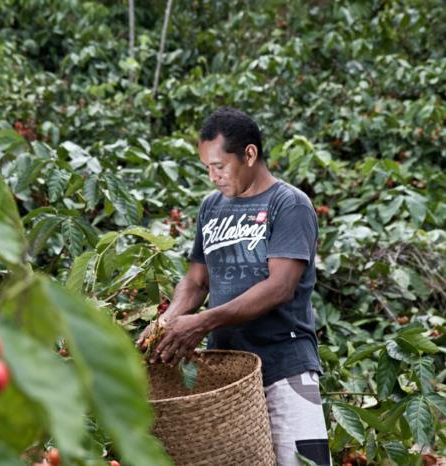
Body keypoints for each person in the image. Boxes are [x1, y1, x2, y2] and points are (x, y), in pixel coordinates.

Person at [137, 107, 331, 466]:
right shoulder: (212, 207)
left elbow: (280, 287)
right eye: (207, 167)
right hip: (228, 371)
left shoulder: (289, 204)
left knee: (307, 461)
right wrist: (172, 320)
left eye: (219, 166)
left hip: (286, 366)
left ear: (250, 154)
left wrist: (203, 322)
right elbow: (197, 280)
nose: (212, 177)